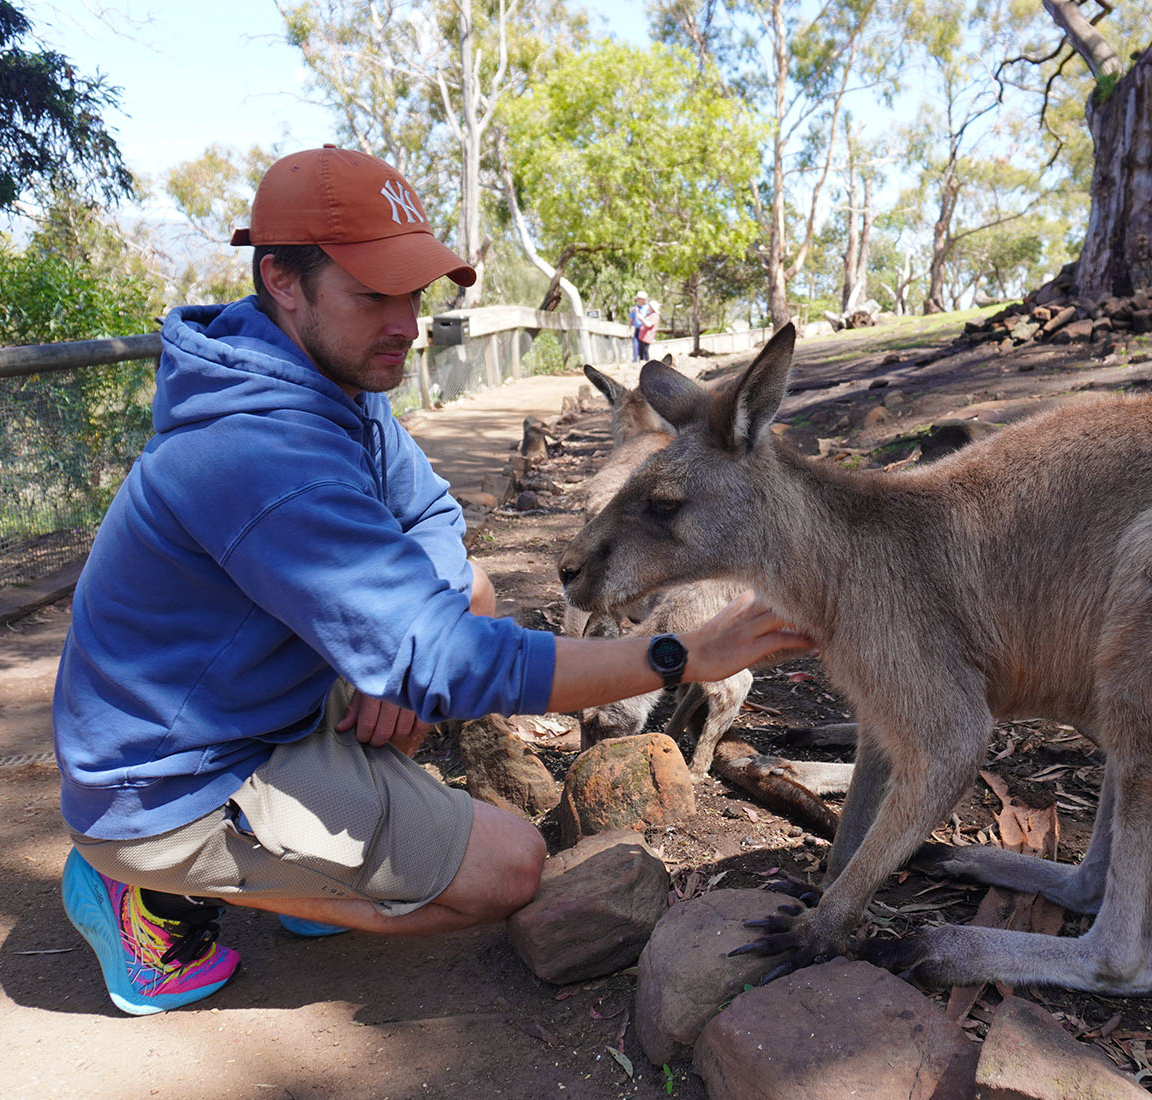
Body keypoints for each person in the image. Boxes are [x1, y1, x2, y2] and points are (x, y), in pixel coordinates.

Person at [52, 145, 808, 1016]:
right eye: (374, 293)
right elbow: (452, 664)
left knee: (472, 589)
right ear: (283, 282)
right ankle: (155, 895)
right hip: (169, 778)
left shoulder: (331, 376)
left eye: (411, 291)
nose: (407, 322)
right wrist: (679, 654)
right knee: (508, 870)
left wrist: (411, 657)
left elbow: (436, 523)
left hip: (246, 702)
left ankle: (308, 858)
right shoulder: (259, 451)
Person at [629, 291, 659, 361]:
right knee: (637, 348)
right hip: (638, 330)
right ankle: (636, 361)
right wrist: (629, 330)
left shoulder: (649, 310)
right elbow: (631, 319)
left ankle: (644, 362)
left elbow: (648, 324)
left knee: (645, 350)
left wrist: (638, 315)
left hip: (646, 333)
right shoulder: (635, 308)